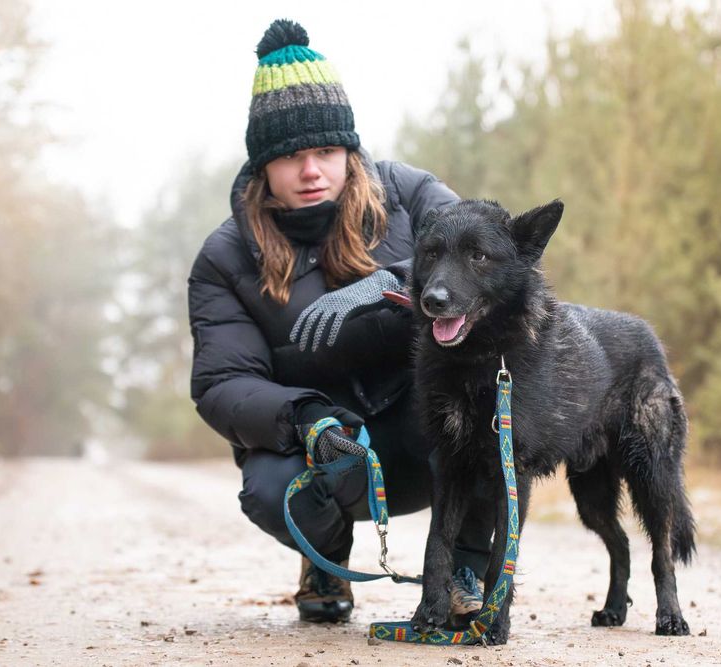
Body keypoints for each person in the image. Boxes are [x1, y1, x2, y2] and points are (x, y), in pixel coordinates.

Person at [188, 18, 493, 624]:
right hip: (332, 444)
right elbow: (222, 384)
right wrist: (305, 418)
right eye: (291, 157)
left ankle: (466, 567)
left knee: (489, 397)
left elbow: (486, 256)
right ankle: (325, 559)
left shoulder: (409, 194)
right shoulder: (224, 259)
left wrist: (395, 281)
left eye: (326, 152)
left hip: (428, 426)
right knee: (272, 487)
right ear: (262, 167)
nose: (311, 171)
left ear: (349, 151)